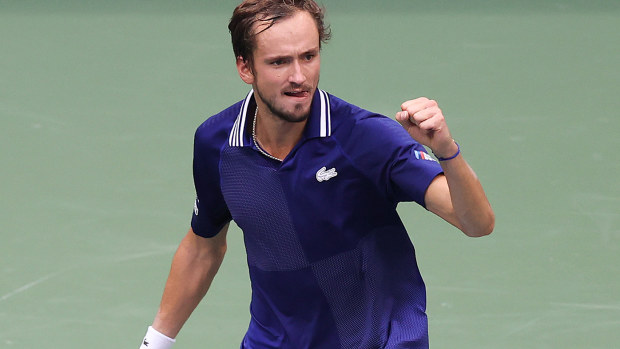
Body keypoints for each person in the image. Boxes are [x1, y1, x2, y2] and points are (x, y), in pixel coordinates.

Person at [139, 0, 494, 348]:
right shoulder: (217, 143)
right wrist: (154, 343)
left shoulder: (365, 138)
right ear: (245, 68)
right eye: (279, 62)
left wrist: (447, 151)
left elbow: (476, 223)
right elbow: (204, 246)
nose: (299, 77)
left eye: (308, 57)